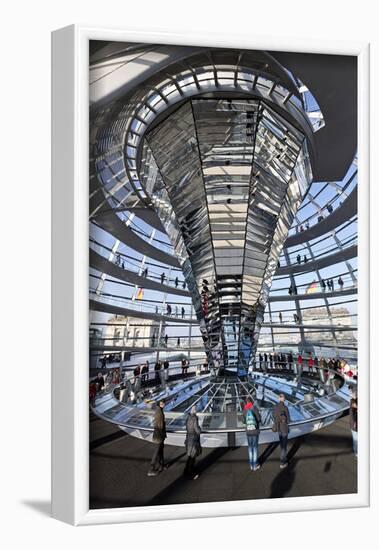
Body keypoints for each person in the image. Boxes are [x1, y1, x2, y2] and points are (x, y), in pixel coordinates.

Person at [148, 400, 167, 476]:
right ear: (159, 404)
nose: (163, 404)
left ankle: (161, 465)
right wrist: (164, 423)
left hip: (159, 434)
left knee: (160, 450)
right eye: (162, 403)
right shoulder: (159, 412)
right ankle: (151, 469)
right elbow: (160, 425)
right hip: (159, 435)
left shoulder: (159, 410)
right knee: (157, 452)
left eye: (164, 403)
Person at [243, 397, 261, 471]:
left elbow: (244, 421)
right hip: (255, 431)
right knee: (255, 448)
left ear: (246, 402)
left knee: (250, 448)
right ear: (251, 402)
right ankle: (255, 465)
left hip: (248, 432)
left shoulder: (244, 410)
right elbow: (259, 419)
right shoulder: (254, 408)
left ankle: (251, 465)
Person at [184, 405, 202, 479]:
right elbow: (197, 429)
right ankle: (190, 472)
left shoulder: (188, 417)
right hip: (194, 439)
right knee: (192, 457)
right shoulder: (195, 418)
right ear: (194, 411)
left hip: (188, 438)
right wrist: (200, 429)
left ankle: (187, 470)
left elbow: (187, 427)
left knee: (190, 456)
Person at [273, 393, 291, 468]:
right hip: (284, 428)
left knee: (281, 444)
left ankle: (283, 457)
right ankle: (282, 462)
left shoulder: (275, 407)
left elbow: (273, 416)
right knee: (284, 446)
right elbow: (288, 420)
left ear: (278, 398)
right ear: (283, 399)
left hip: (278, 428)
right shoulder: (285, 408)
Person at [350, 389, 358, 458]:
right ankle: (356, 454)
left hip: (355, 427)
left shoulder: (355, 401)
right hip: (354, 428)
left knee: (356, 441)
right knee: (356, 441)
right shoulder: (353, 403)